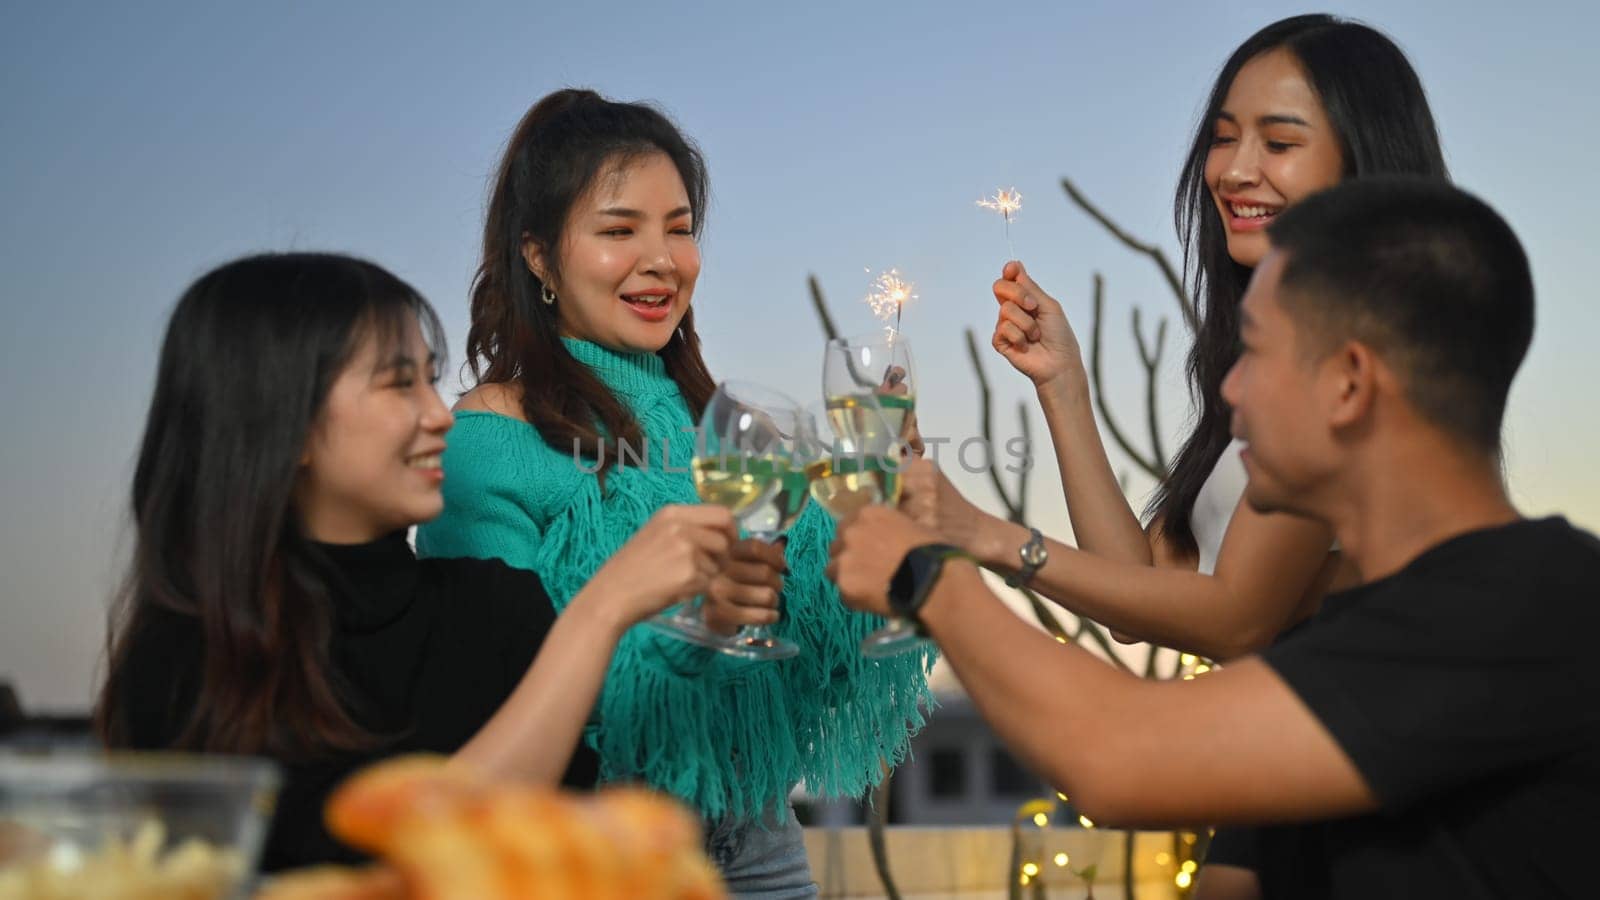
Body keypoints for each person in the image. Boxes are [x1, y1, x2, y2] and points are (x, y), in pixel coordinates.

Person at [831, 177, 1598, 897]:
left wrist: (930, 576)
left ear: (1350, 382)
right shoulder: (1339, 653)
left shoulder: (1529, 609)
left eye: (1255, 351)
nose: (1229, 390)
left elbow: (1118, 758)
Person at [910, 17, 1449, 895]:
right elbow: (1141, 591)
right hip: (1285, 760)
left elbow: (1235, 617)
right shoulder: (1267, 361)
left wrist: (986, 539)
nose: (1234, 170)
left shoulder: (1362, 353)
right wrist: (1063, 387)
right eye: (1223, 137)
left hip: (1369, 776)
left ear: (1365, 163)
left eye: (1279, 141)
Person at [94, 253, 776, 872]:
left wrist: (695, 626)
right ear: (284, 424)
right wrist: (601, 608)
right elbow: (391, 873)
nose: (440, 414)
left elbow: (545, 853)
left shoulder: (495, 606)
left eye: (430, 379)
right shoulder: (185, 660)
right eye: (399, 385)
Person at [414, 89, 932, 896]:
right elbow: (499, 710)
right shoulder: (486, 444)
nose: (664, 259)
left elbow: (827, 656)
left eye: (681, 228)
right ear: (540, 256)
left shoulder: (723, 429)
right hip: (598, 858)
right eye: (620, 230)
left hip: (764, 850)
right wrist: (699, 628)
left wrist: (883, 523)